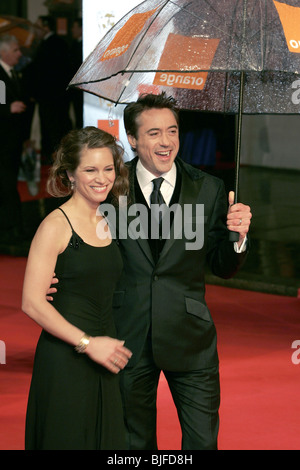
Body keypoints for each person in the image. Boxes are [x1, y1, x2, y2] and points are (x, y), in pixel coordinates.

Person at [49, 93, 252, 450]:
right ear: (132, 139)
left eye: (172, 131)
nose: (166, 142)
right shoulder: (110, 188)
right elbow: (81, 239)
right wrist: (60, 275)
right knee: (133, 443)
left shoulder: (209, 189)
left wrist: (239, 237)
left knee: (203, 442)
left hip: (191, 337)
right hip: (127, 333)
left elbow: (222, 266)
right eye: (155, 132)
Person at [22, 126, 132, 450]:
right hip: (65, 359)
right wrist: (87, 343)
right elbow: (31, 302)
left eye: (108, 168)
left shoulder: (111, 219)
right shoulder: (55, 225)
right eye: (90, 170)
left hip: (107, 356)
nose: (102, 178)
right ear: (70, 173)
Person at [0, 34, 29, 246]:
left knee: (9, 185)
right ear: (4, 52)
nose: (20, 54)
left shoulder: (12, 74)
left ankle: (12, 228)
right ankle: (11, 230)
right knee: (7, 186)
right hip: (2, 144)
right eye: (16, 50)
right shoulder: (1, 76)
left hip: (12, 143)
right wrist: (8, 109)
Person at [30, 15, 72, 161]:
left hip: (52, 96)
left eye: (37, 26)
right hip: (51, 95)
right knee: (51, 127)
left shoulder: (54, 44)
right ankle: (52, 156)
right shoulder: (48, 43)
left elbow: (47, 72)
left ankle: (56, 157)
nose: (35, 29)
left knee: (54, 128)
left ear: (45, 27)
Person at [68, 17, 83, 128]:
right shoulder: (74, 44)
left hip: (81, 90)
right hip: (76, 91)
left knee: (80, 117)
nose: (72, 29)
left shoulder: (83, 45)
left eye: (74, 27)